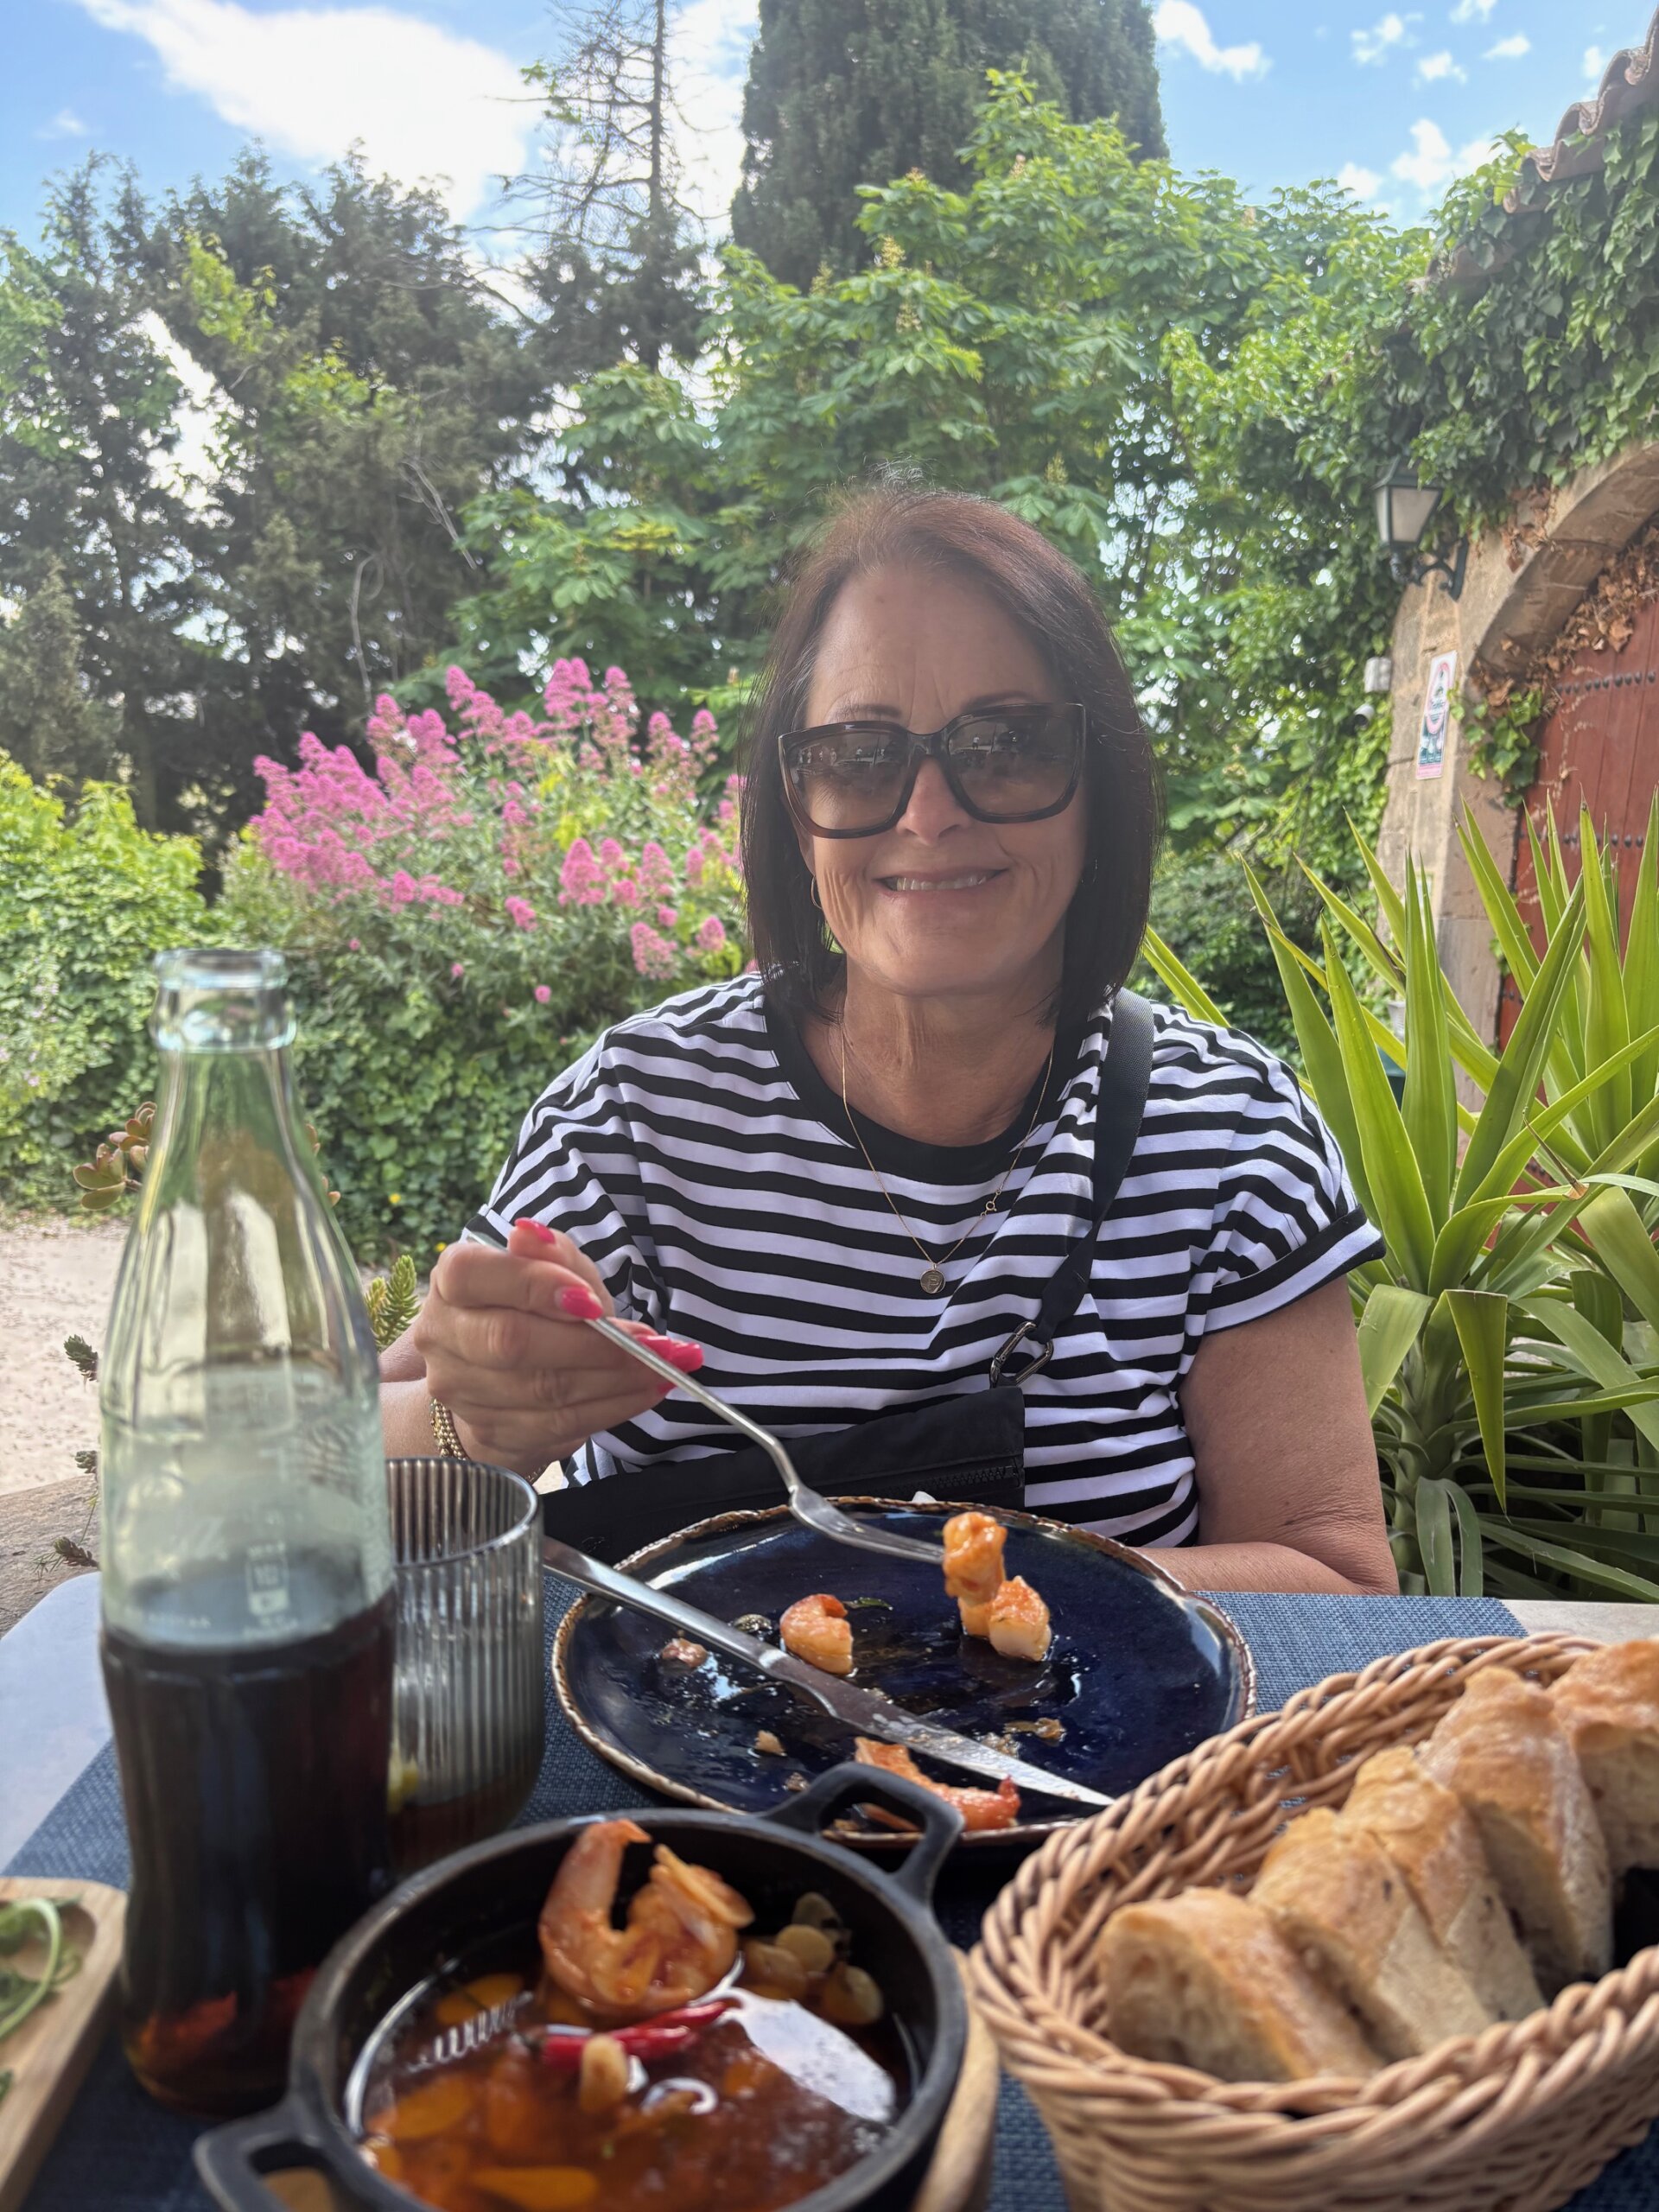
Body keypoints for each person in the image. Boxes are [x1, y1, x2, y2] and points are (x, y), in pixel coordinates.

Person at [382, 485, 1397, 1594]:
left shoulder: (1231, 1136)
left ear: (1096, 785)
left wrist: (953, 1603)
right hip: (666, 1714)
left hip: (1111, 1720)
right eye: (860, 756)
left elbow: (1335, 1576)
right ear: (797, 805)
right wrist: (472, 1429)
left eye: (1005, 745)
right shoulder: (642, 1111)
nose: (928, 812)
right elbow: (337, 1470)